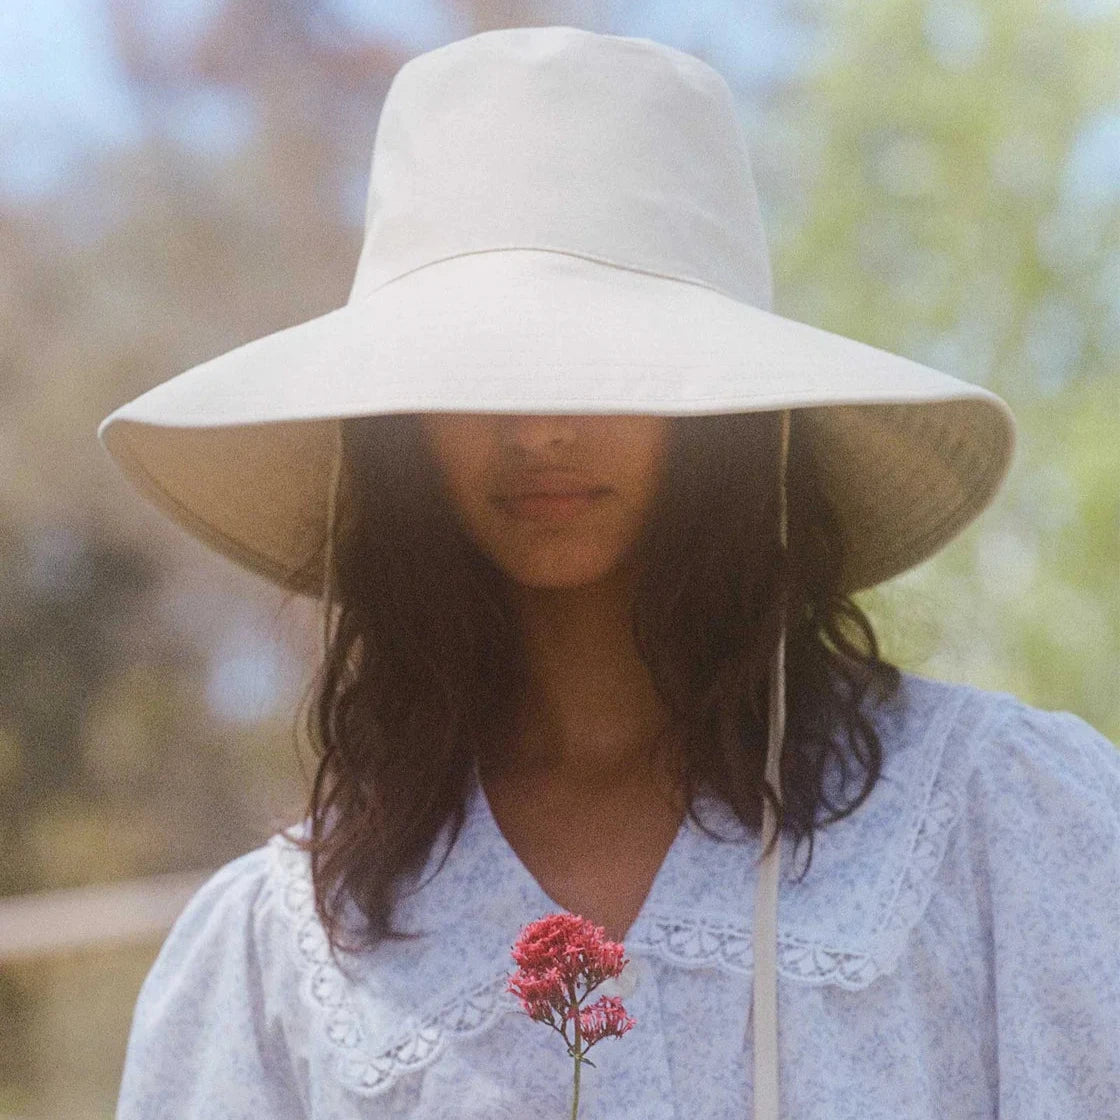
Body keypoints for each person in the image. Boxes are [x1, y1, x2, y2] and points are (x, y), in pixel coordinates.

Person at [97, 26, 1119, 1120]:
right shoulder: (286, 958)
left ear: (734, 408)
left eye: (604, 363)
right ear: (396, 428)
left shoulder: (997, 823)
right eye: (474, 371)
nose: (538, 429)